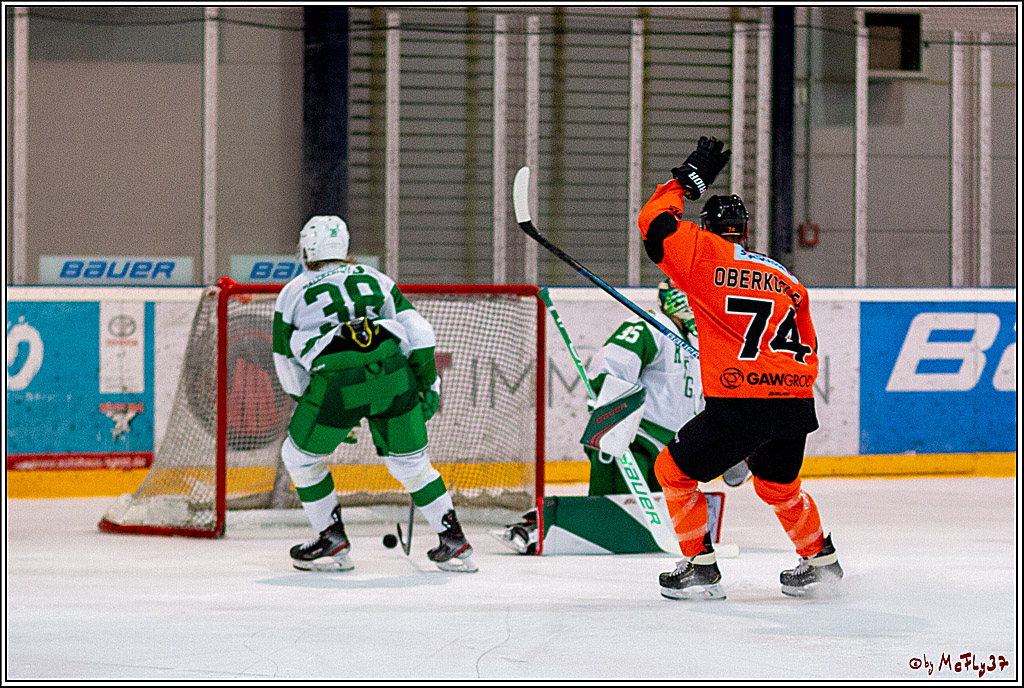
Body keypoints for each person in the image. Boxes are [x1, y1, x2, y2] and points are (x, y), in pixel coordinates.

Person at [637, 136, 842, 599]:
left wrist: (682, 183)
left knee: (672, 470)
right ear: (745, 232)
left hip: (740, 402)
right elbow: (806, 341)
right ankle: (821, 563)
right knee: (778, 487)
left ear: (707, 226)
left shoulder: (701, 253)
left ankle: (699, 568)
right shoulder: (786, 277)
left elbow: (653, 224)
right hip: (793, 402)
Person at [272, 215, 477, 573]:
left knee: (300, 457)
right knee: (411, 463)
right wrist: (429, 384)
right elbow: (420, 331)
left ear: (306, 248)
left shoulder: (292, 292)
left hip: (337, 379)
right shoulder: (375, 278)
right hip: (392, 372)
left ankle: (332, 541)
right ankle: (454, 543)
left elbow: (286, 362)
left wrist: (318, 408)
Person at [492, 282, 749, 555]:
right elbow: (611, 368)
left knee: (644, 525)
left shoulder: (698, 341)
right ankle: (534, 527)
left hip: (672, 449)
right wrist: (614, 417)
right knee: (614, 514)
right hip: (634, 441)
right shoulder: (648, 326)